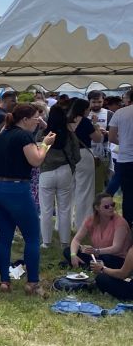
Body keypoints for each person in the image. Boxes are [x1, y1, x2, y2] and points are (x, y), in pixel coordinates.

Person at [0, 104, 56, 295]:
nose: (38, 122)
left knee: (4, 237)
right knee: (33, 237)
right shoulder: (24, 135)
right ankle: (32, 283)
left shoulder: (2, 134)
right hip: (17, 189)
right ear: (25, 120)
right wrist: (46, 144)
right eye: (36, 118)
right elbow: (35, 160)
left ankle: (4, 281)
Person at [38, 103, 80, 254]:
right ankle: (65, 242)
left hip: (46, 173)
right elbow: (77, 156)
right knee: (65, 209)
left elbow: (37, 152)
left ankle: (46, 242)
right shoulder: (69, 135)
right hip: (65, 170)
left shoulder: (43, 133)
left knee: (46, 210)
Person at [69, 193, 131, 269]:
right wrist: (73, 255)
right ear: (97, 207)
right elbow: (76, 239)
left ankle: (85, 265)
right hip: (98, 256)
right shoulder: (91, 220)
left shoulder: (120, 222)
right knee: (68, 251)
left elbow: (116, 248)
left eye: (113, 205)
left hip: (117, 258)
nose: (111, 208)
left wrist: (96, 251)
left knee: (106, 259)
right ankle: (82, 263)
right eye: (106, 206)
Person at [69, 98, 103, 232]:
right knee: (85, 192)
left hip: (68, 156)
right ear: (84, 109)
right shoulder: (86, 122)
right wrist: (96, 125)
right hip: (84, 155)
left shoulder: (66, 120)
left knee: (66, 192)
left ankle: (62, 224)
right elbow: (98, 138)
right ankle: (83, 225)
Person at [108, 90, 133, 224]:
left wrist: (124, 142)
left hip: (125, 159)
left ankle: (128, 224)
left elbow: (111, 137)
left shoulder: (120, 113)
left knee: (128, 194)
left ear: (128, 99)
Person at [88, 91, 112, 194]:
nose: (96, 104)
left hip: (103, 149)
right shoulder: (85, 113)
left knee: (101, 178)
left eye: (99, 102)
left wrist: (106, 133)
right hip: (87, 149)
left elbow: (114, 131)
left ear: (103, 101)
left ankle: (100, 197)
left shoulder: (109, 113)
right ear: (89, 101)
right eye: (93, 102)